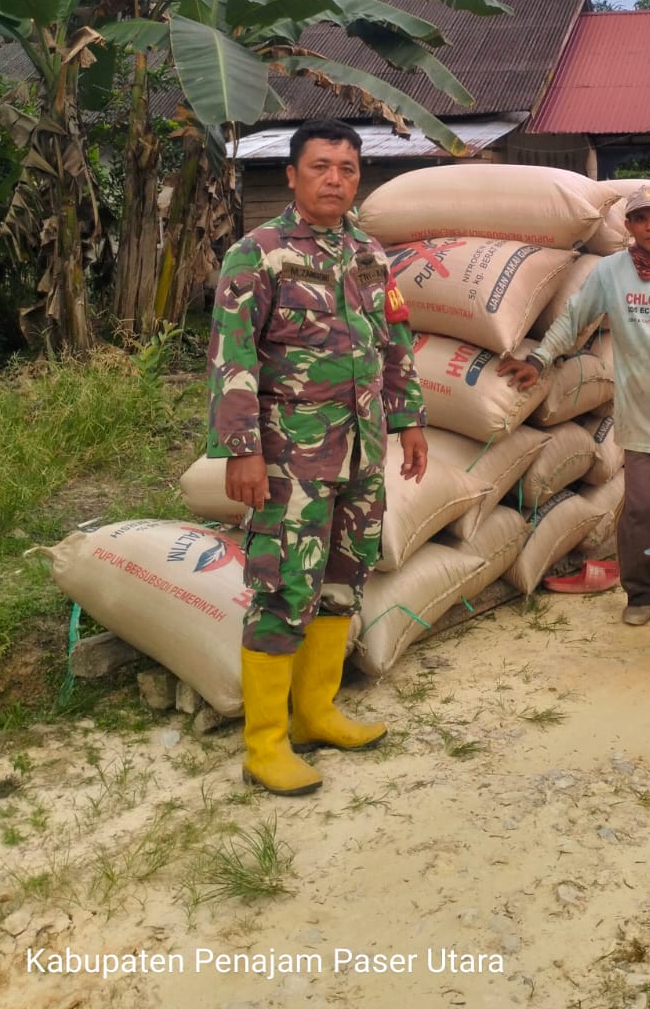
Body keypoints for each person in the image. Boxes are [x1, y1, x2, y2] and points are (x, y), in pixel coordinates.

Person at [207, 119, 427, 796]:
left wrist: (410, 420)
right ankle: (266, 744)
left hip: (362, 449)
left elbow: (394, 340)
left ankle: (316, 712)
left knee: (342, 578)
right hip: (289, 458)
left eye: (348, 168)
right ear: (292, 175)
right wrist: (241, 451)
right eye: (321, 166)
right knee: (283, 588)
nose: (335, 179)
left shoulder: (369, 253)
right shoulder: (258, 253)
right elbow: (232, 358)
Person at [498, 185, 650, 625]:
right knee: (640, 511)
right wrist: (539, 359)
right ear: (628, 225)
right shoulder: (611, 273)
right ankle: (641, 594)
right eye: (640, 218)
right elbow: (573, 319)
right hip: (640, 418)